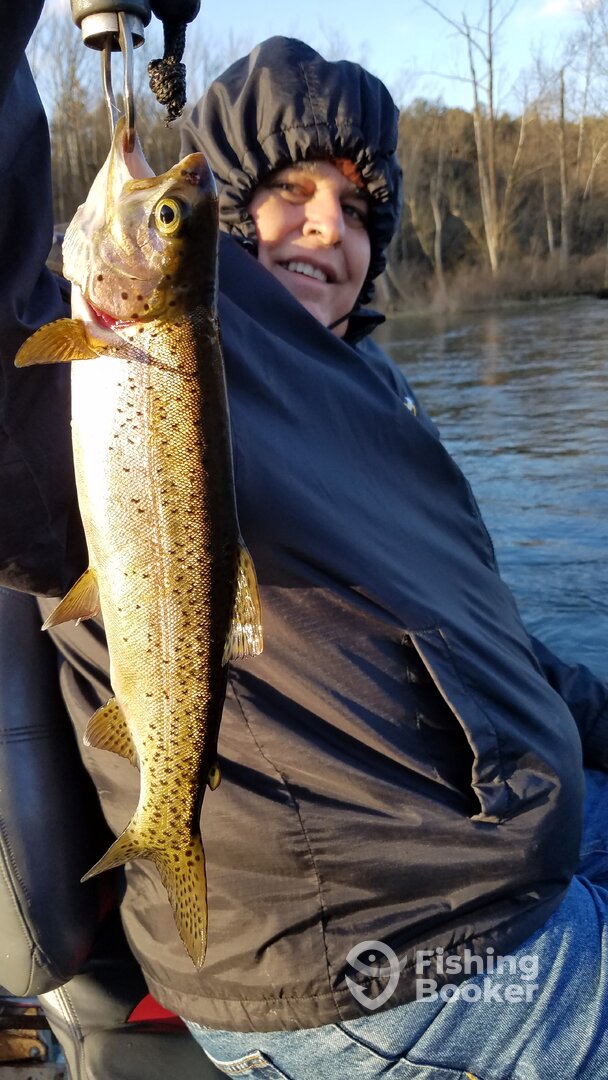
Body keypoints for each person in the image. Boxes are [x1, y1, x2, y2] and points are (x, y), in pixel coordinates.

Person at [2, 5, 608, 1079]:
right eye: (287, 189)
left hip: (510, 845)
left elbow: (481, 643)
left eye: (356, 205)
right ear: (224, 216)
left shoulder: (372, 398)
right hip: (380, 955)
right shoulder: (97, 366)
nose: (327, 224)